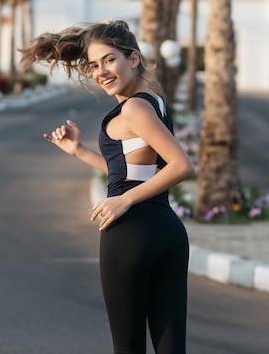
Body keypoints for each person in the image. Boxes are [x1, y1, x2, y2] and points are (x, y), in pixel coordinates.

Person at [19, 20, 196, 354]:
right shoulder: (154, 101)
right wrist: (80, 151)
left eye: (109, 60)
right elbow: (132, 172)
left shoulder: (133, 107)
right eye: (93, 65)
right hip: (168, 232)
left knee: (127, 348)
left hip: (130, 234)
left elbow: (182, 165)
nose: (101, 71)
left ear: (133, 58)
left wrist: (123, 202)